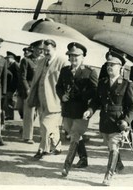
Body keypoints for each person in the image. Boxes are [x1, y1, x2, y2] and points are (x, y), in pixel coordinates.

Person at [83, 51, 133, 186]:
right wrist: (89, 110)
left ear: (120, 67)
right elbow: (96, 101)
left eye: (112, 64)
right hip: (105, 121)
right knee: (109, 145)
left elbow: (132, 107)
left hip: (118, 122)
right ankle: (118, 164)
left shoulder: (127, 84)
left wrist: (126, 120)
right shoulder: (102, 82)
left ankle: (108, 175)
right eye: (108, 64)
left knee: (113, 147)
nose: (109, 67)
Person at [56, 42, 98, 176]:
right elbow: (59, 87)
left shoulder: (89, 72)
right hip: (67, 109)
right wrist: (62, 96)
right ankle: (84, 158)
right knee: (72, 133)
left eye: (76, 56)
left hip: (81, 110)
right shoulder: (65, 70)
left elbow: (95, 91)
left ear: (83, 57)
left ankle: (66, 167)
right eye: (71, 56)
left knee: (74, 136)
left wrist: (82, 96)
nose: (73, 59)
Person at [28, 39, 68, 159]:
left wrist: (64, 97)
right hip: (41, 100)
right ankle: (53, 147)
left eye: (48, 50)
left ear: (54, 49)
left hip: (55, 100)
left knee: (46, 125)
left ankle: (44, 148)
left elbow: (67, 82)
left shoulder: (62, 62)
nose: (45, 53)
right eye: (43, 50)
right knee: (47, 126)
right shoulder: (41, 61)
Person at [20, 40, 45, 144]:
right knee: (29, 114)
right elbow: (23, 77)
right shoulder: (26, 60)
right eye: (39, 49)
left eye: (42, 49)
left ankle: (43, 136)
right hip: (30, 90)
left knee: (42, 114)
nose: (41, 51)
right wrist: (27, 89)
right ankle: (27, 137)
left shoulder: (44, 60)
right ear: (33, 48)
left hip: (41, 90)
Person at [2, 51, 21, 121]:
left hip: (13, 87)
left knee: (9, 101)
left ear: (12, 58)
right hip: (10, 87)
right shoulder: (11, 65)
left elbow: (18, 78)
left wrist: (16, 89)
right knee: (8, 101)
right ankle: (9, 115)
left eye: (8, 58)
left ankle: (10, 116)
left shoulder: (15, 65)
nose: (7, 59)